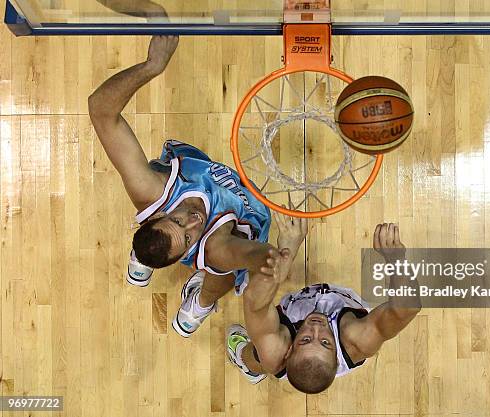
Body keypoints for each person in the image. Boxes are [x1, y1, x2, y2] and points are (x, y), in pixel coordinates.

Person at [88, 35, 279, 337]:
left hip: (192, 183)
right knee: (224, 273)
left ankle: (147, 251)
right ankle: (199, 304)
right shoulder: (215, 246)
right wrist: (272, 261)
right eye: (189, 237)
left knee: (157, 225)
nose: (194, 221)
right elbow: (255, 255)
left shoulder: (149, 190)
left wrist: (152, 66)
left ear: (157, 215)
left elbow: (100, 109)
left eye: (177, 221)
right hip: (242, 216)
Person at [226, 222, 422, 392]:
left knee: (260, 356)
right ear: (337, 357)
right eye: (326, 343)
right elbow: (407, 308)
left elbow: (254, 300)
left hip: (278, 346)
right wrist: (396, 259)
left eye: (306, 339)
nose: (317, 328)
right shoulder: (358, 340)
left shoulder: (277, 352)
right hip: (340, 306)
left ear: (289, 350)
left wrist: (286, 254)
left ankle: (246, 364)